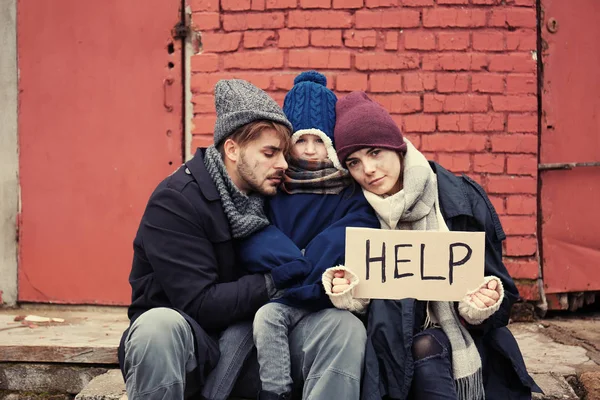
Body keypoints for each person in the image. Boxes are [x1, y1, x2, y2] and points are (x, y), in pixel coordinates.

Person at [118, 80, 367, 400]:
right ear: (232, 150)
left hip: (263, 343)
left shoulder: (265, 190)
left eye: (282, 152)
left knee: (343, 328)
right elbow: (199, 305)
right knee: (156, 328)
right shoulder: (177, 201)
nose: (283, 163)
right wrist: (274, 281)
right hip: (192, 350)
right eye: (270, 153)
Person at [321, 91, 541, 400]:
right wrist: (349, 293)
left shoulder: (459, 198)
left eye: (374, 152)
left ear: (397, 148)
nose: (367, 169)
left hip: (468, 342)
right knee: (424, 346)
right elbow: (363, 315)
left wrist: (481, 304)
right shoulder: (355, 214)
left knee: (427, 346)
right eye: (354, 162)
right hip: (393, 352)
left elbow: (502, 294)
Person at [236, 71, 379, 400]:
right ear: (289, 143)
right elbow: (256, 232)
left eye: (320, 141)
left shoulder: (346, 189)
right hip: (284, 292)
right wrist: (292, 261)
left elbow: (354, 230)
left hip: (326, 293)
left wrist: (310, 258)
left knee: (342, 329)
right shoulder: (276, 186)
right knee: (266, 318)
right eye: (302, 141)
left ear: (331, 144)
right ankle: (276, 391)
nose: (312, 150)